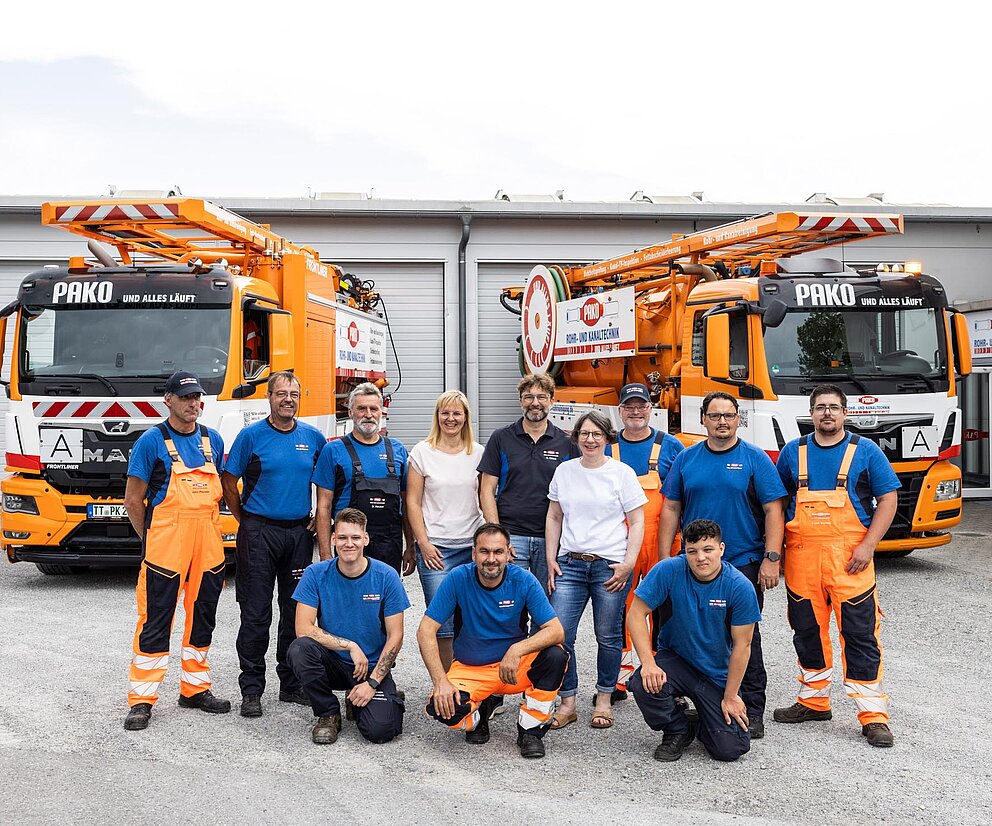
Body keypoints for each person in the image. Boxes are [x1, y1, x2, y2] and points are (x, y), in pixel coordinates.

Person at [773, 384, 899, 748]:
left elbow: (888, 499)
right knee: (807, 631)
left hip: (850, 560)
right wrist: (775, 553)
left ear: (845, 413)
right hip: (802, 558)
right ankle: (814, 702)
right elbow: (776, 504)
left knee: (860, 634)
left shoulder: (866, 451)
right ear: (811, 413)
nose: (826, 413)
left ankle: (873, 716)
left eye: (833, 407)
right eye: (820, 407)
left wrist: (869, 546)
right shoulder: (792, 452)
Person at [657, 391, 787, 739]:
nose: (722, 422)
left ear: (738, 419)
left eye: (729, 415)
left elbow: (774, 509)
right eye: (714, 416)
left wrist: (771, 558)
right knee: (682, 631)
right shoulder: (687, 459)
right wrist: (664, 559)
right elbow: (670, 507)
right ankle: (684, 704)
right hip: (692, 564)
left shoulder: (755, 459)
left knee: (744, 637)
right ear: (703, 419)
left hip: (742, 563)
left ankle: (752, 709)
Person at [122, 370, 230, 730]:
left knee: (203, 618)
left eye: (196, 397)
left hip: (208, 545)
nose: (192, 403)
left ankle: (194, 688)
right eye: (185, 397)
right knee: (155, 620)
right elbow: (133, 499)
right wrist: (151, 537)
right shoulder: (151, 441)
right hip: (166, 545)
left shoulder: (213, 439)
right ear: (168, 400)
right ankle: (142, 699)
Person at [221, 371, 326, 718]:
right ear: (268, 397)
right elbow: (229, 481)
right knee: (255, 613)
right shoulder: (250, 436)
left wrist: (319, 516)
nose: (288, 400)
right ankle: (251, 689)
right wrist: (245, 519)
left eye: (294, 394)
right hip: (259, 533)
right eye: (281, 394)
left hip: (298, 535)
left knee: (295, 611)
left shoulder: (313, 438)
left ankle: (291, 684)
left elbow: (327, 480)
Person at [418, 523, 567, 759]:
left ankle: (531, 730)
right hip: (471, 668)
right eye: (484, 551)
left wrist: (517, 649)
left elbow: (556, 631)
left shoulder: (523, 580)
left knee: (556, 656)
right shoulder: (458, 577)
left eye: (498, 552)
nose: (491, 559)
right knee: (441, 708)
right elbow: (426, 630)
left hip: (513, 667)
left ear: (508, 553)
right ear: (473, 554)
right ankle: (479, 715)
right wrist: (440, 681)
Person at [545, 410, 647, 730]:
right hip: (570, 565)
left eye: (597, 434)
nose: (590, 440)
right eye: (585, 434)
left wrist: (629, 563)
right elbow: (554, 516)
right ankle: (568, 702)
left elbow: (637, 521)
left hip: (609, 567)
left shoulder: (621, 473)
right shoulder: (565, 471)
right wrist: (551, 558)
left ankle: (604, 698)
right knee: (561, 634)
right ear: (576, 437)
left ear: (607, 437)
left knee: (608, 635)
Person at [628, 519, 760, 762]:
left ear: (721, 548)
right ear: (684, 551)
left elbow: (743, 646)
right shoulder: (668, 570)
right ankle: (677, 728)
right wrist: (648, 663)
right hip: (676, 661)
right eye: (692, 551)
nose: (700, 558)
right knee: (643, 683)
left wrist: (731, 696)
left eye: (708, 549)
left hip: (715, 672)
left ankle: (699, 721)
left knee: (730, 749)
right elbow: (636, 614)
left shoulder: (739, 586)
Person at [287, 508, 409, 745]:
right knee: (299, 649)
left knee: (381, 731)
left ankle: (365, 698)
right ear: (333, 539)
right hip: (332, 663)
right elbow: (303, 628)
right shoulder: (315, 574)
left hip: (371, 667)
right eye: (342, 537)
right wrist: (350, 645)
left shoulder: (386, 576)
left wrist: (372, 684)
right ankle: (328, 713)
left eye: (355, 537)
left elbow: (396, 636)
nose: (349, 544)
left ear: (366, 539)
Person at [605, 382, 684, 700]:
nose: (635, 412)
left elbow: (681, 495)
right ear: (620, 411)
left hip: (661, 541)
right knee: (619, 610)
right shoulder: (607, 446)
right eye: (629, 406)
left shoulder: (671, 446)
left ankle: (661, 675)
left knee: (665, 611)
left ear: (651, 409)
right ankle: (619, 679)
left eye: (641, 406)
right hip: (618, 544)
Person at [478, 372, 577, 592]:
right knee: (510, 601)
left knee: (545, 602)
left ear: (552, 400)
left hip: (551, 539)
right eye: (528, 397)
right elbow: (486, 490)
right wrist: (499, 537)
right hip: (512, 536)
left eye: (541, 397)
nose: (535, 403)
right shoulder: (501, 438)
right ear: (520, 401)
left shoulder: (567, 443)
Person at [407, 390, 484, 670]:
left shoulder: (478, 453)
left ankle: (469, 679)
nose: (451, 419)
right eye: (445, 413)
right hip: (436, 550)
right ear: (437, 416)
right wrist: (423, 544)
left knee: (472, 618)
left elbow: (485, 498)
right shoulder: (422, 453)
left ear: (466, 417)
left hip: (471, 548)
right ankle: (446, 682)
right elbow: (412, 502)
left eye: (457, 413)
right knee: (443, 623)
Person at [313, 382, 414, 575]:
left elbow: (407, 505)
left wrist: (410, 546)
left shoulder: (397, 450)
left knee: (386, 593)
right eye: (361, 408)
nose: (368, 414)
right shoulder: (333, 451)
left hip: (389, 544)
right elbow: (323, 507)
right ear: (350, 412)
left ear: (381, 412)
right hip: (349, 545)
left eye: (373, 409)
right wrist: (325, 554)